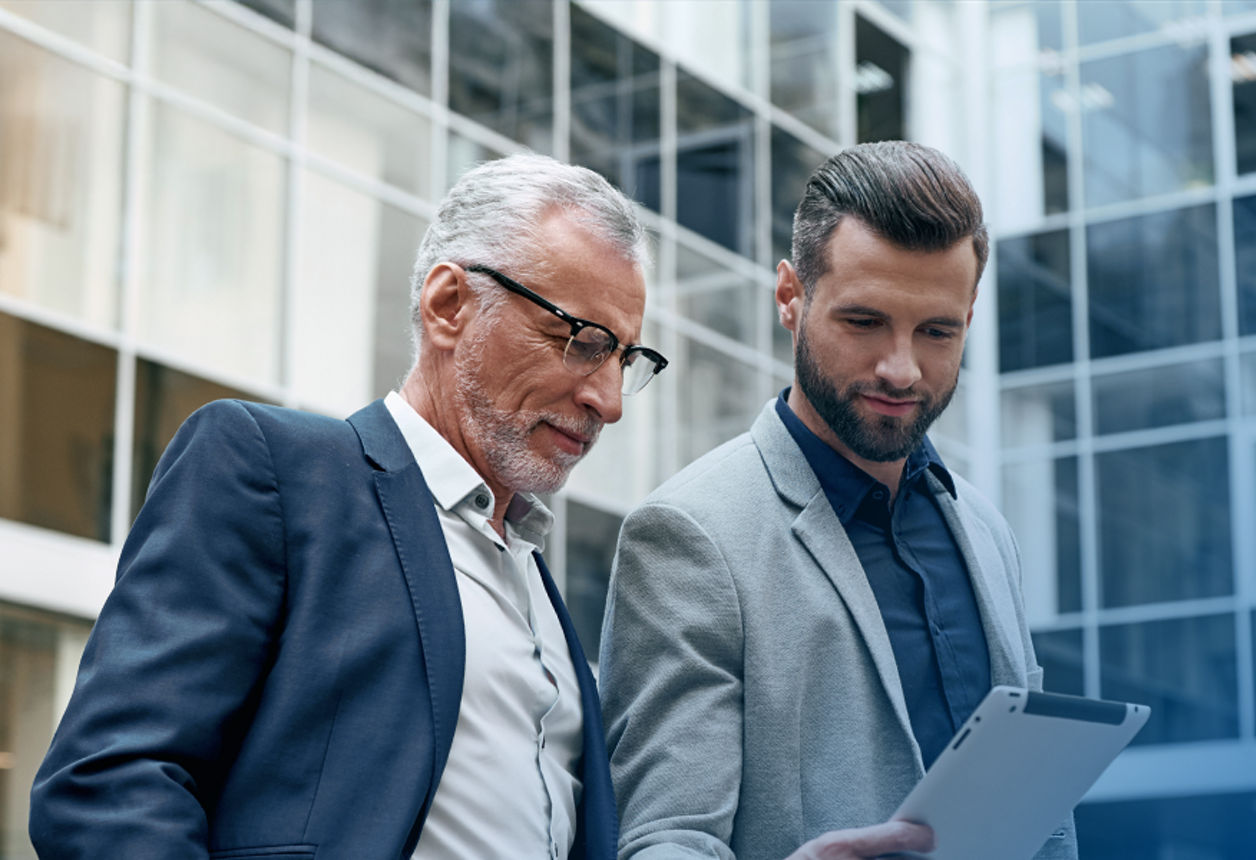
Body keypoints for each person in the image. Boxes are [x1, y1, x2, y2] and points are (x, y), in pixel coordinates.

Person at [30, 153, 668, 860]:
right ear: (449, 305)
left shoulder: (538, 583)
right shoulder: (275, 471)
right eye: (582, 341)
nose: (607, 400)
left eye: (627, 360)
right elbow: (111, 783)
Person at [598, 141, 1077, 860]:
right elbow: (665, 840)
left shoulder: (986, 532)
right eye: (864, 322)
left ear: (970, 317)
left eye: (937, 331)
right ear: (791, 298)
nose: (901, 367)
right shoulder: (689, 535)